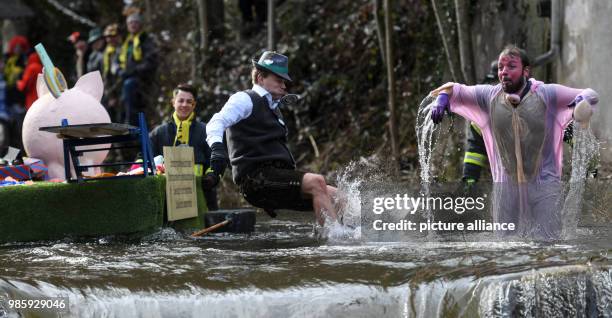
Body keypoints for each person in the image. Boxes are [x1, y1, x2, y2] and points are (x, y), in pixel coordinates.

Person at [430, 45, 599, 240]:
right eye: (501, 68)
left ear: (526, 71)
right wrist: (443, 98)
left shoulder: (547, 95)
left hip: (544, 186)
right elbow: (456, 91)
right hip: (506, 189)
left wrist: (581, 100)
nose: (504, 72)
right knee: (506, 246)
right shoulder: (488, 97)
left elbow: (590, 95)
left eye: (511, 66)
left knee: (549, 244)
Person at [206, 51, 339, 225]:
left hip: (277, 178)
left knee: (339, 196)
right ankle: (334, 239)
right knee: (316, 181)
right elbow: (216, 121)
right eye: (279, 80)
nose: (284, 86)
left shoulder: (274, 108)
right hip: (254, 180)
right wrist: (217, 150)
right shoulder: (244, 99)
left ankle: (350, 237)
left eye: (284, 81)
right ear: (261, 78)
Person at [149, 84, 218, 211]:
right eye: (180, 100)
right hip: (166, 198)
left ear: (194, 105)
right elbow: (143, 158)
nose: (184, 105)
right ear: (173, 102)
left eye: (189, 101)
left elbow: (217, 158)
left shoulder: (206, 131)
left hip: (202, 195)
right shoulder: (158, 133)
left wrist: (211, 177)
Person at [119, 12, 158, 126]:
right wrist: (120, 71)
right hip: (128, 78)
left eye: (135, 22)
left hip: (142, 79)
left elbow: (151, 62)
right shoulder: (127, 42)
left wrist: (135, 70)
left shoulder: (146, 40)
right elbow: (120, 60)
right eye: (130, 23)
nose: (133, 25)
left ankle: (131, 124)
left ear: (140, 24)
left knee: (129, 87)